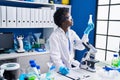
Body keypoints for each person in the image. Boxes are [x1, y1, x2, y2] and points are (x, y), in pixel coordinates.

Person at [49, 8, 94, 75]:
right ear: (63, 21)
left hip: (70, 67)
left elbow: (81, 46)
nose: (72, 19)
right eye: (69, 17)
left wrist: (86, 33)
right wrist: (61, 67)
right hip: (58, 70)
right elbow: (55, 57)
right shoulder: (54, 36)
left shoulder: (72, 33)